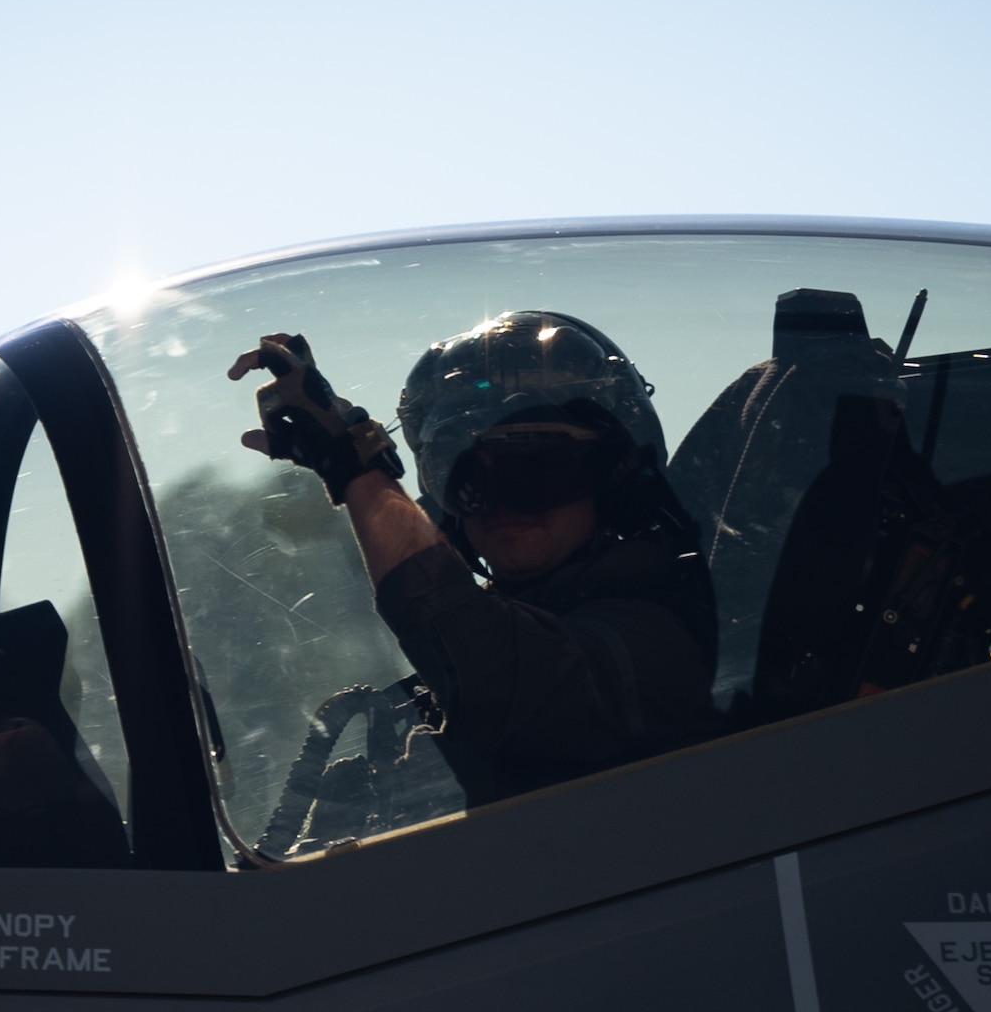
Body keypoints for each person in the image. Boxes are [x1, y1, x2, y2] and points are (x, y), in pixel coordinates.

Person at [227, 312, 718, 807]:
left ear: (615, 473)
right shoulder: (490, 646)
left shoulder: (653, 640)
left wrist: (352, 464)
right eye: (460, 470)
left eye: (534, 465)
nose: (498, 501)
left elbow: (498, 674)